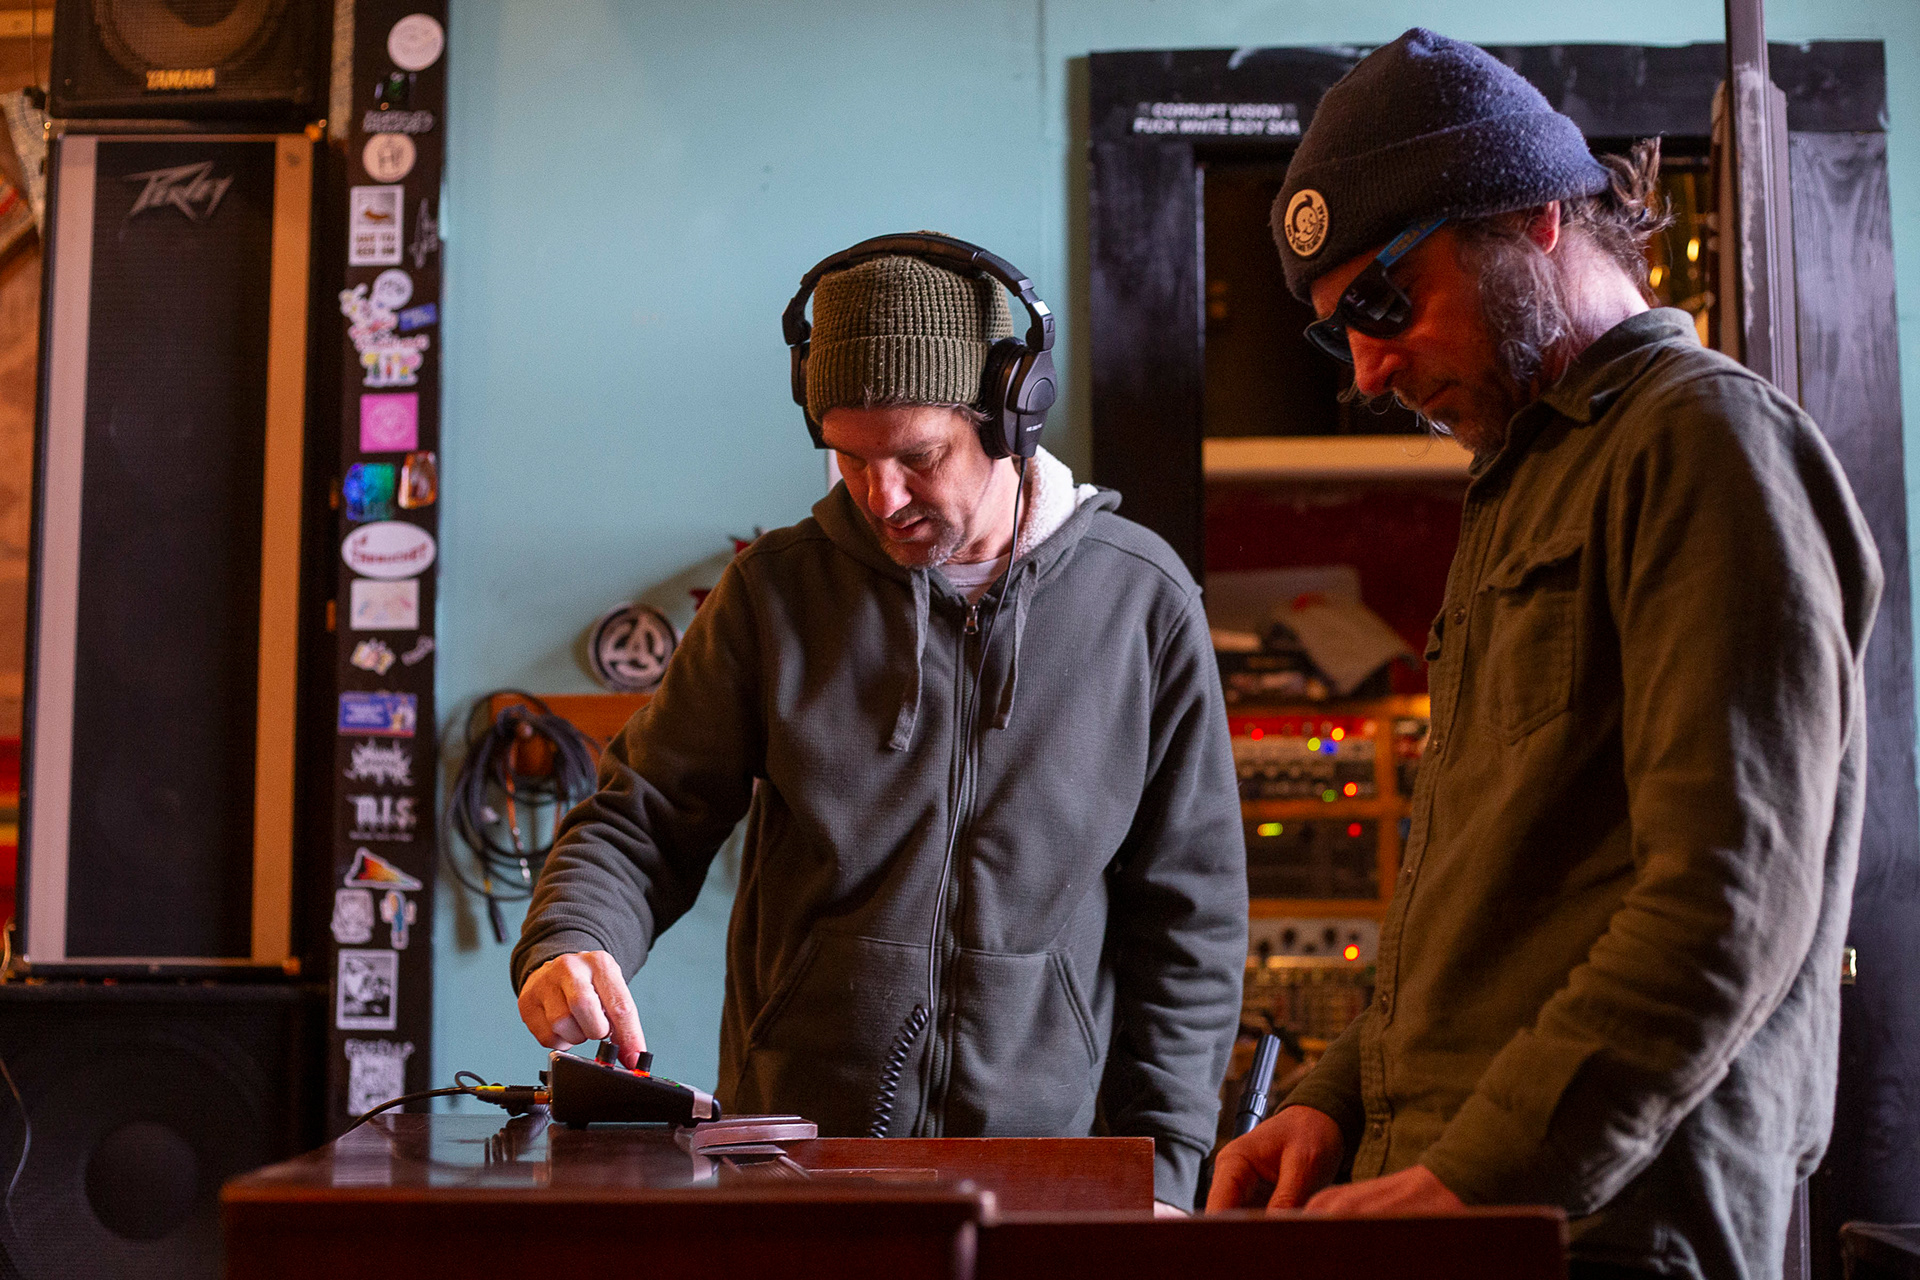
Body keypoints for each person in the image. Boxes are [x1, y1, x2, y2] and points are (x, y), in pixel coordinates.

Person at [1207, 29, 1881, 1280]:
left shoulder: (1702, 446)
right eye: (1332, 331)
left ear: (1531, 219)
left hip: (1607, 1225)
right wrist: (1336, 1097)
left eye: (1380, 300)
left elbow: (1723, 901)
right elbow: (1494, 894)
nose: (1364, 367)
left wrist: (1483, 1174)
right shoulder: (1526, 481)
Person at [512, 234, 1246, 1208]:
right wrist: (573, 934)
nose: (881, 495)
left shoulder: (1141, 600)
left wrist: (1164, 1171)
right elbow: (641, 818)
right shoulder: (773, 593)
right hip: (797, 1164)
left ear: (1008, 413)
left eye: (918, 455)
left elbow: (1187, 924)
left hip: (1054, 1174)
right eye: (849, 457)